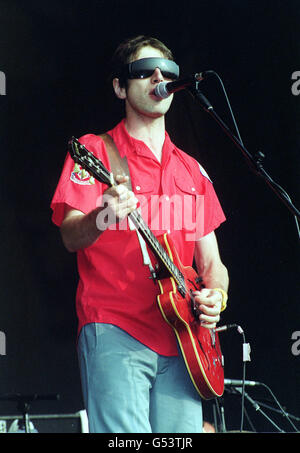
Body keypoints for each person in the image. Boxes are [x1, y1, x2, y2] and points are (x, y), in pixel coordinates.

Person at [50, 35, 229, 433]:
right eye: (143, 72)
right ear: (119, 87)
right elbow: (69, 236)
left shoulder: (192, 170)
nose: (157, 79)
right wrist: (103, 214)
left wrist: (217, 295)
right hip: (115, 326)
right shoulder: (95, 150)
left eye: (166, 72)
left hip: (183, 338)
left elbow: (213, 263)